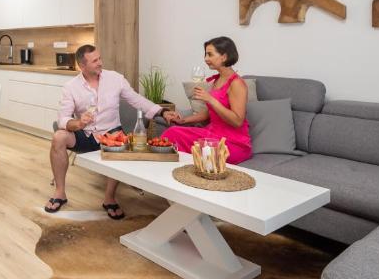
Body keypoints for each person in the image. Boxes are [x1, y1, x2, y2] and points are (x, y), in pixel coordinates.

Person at [46, 44, 180, 219]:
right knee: (58, 137)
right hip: (84, 134)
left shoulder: (115, 79)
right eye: (95, 61)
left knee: (123, 140)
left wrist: (162, 111)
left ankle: (109, 198)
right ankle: (60, 193)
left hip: (111, 134)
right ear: (82, 66)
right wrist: (78, 123)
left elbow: (137, 100)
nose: (100, 63)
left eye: (99, 58)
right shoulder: (70, 87)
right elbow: (62, 118)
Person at [162, 36, 252, 165]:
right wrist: (184, 120)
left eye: (210, 54)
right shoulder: (218, 80)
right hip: (212, 135)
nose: (206, 59)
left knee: (178, 138)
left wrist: (211, 100)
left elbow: (237, 121)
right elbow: (210, 113)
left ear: (224, 57)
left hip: (232, 143)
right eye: (205, 54)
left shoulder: (237, 83)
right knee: (173, 132)